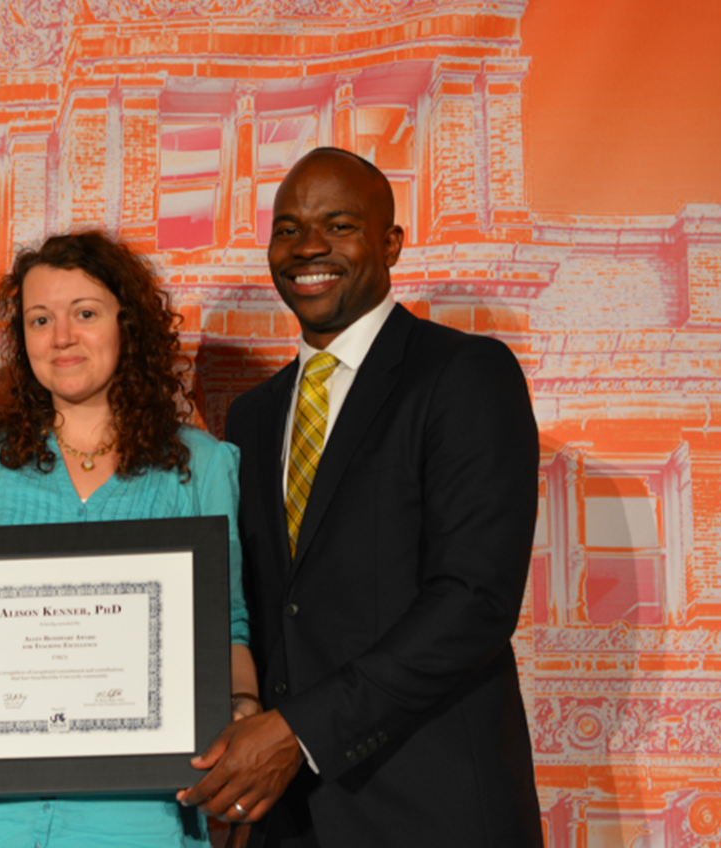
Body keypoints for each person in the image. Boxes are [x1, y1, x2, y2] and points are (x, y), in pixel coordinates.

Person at [177, 148, 545, 846]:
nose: (308, 247)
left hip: (432, 807)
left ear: (391, 242)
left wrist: (299, 732)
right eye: (287, 229)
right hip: (285, 817)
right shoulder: (254, 416)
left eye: (338, 224)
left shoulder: (464, 375)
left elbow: (474, 600)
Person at [0, 230, 259, 847]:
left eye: (85, 313)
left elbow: (228, 629)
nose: (61, 337)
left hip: (140, 816)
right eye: (40, 319)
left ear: (126, 324)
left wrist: (240, 718)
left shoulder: (203, 465)